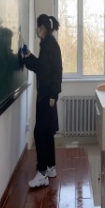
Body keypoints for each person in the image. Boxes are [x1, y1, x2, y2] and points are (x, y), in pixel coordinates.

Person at [23, 14, 63, 188]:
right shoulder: (47, 44)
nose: (37, 31)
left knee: (39, 132)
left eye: (38, 28)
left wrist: (53, 95)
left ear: (43, 28)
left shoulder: (49, 45)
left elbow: (56, 71)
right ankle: (50, 167)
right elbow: (42, 68)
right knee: (46, 132)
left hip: (47, 97)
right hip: (47, 95)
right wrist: (29, 57)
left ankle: (42, 173)